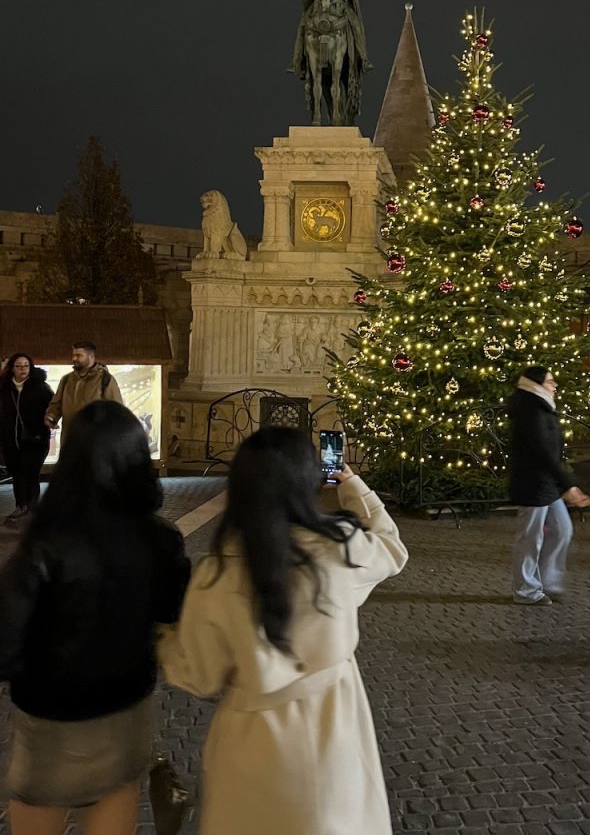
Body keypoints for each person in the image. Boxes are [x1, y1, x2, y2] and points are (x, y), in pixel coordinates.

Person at [158, 426, 408, 835]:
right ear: (306, 482)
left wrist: (161, 639)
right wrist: (352, 485)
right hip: (336, 727)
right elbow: (392, 548)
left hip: (252, 743)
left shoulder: (216, 573)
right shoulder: (341, 548)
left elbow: (196, 675)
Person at [0, 401, 190, 835]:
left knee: (37, 803)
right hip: (126, 702)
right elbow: (170, 610)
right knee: (116, 793)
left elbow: (6, 637)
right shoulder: (161, 537)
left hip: (52, 713)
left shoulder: (45, 543)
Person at [507, 366, 590, 606]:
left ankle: (547, 581)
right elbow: (543, 452)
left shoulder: (541, 408)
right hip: (532, 485)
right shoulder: (531, 411)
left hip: (546, 484)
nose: (554, 386)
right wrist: (568, 485)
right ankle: (525, 590)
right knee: (530, 538)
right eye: (550, 382)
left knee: (562, 530)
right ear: (536, 385)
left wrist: (562, 483)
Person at [0, 353, 53, 524]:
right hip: (11, 440)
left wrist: (49, 421)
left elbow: (53, 406)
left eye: (26, 365)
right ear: (12, 368)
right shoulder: (4, 388)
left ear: (31, 367)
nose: (23, 369)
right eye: (18, 366)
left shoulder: (40, 387)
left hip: (35, 439)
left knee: (31, 473)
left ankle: (33, 509)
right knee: (17, 474)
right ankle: (20, 506)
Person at [44, 341, 122, 437]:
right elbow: (57, 404)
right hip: (70, 439)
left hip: (95, 440)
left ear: (91, 357)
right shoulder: (66, 379)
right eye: (73, 355)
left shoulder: (105, 379)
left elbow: (116, 410)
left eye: (79, 355)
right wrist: (51, 416)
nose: (74, 359)